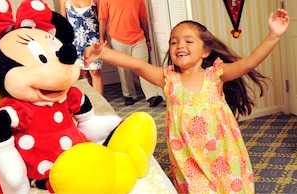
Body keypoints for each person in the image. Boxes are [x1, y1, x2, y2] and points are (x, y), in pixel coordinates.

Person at [84, 9, 290, 193]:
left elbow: (248, 63)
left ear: (205, 51)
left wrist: (274, 35)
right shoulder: (168, 78)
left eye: (188, 41)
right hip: (188, 156)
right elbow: (137, 65)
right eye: (174, 42)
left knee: (230, 187)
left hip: (223, 153)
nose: (179, 45)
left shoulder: (216, 74)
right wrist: (103, 53)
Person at [98, 0, 163, 107]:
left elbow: (143, 19)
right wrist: (102, 39)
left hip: (138, 38)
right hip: (118, 39)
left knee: (144, 66)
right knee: (123, 69)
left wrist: (147, 39)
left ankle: (152, 96)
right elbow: (103, 19)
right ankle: (129, 95)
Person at [60, 0, 104, 95]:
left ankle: (101, 102)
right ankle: (92, 101)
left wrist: (102, 38)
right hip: (75, 41)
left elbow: (102, 19)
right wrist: (63, 41)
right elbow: (63, 22)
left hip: (93, 39)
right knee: (84, 72)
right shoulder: (64, 0)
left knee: (95, 71)